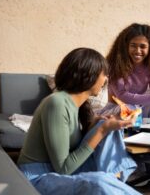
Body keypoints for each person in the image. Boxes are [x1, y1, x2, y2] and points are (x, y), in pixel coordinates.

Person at [17, 48, 142, 195]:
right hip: (39, 178)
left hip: (59, 172)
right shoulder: (57, 103)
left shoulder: (75, 105)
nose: (106, 79)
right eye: (104, 74)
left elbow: (71, 150)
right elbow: (63, 169)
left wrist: (95, 127)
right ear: (89, 75)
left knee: (106, 127)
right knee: (98, 182)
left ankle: (113, 180)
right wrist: (101, 131)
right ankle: (112, 182)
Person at [97, 23, 150, 121]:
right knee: (129, 109)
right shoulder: (115, 64)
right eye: (133, 46)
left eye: (143, 46)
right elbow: (122, 96)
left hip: (138, 109)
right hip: (117, 109)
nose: (137, 51)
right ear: (126, 46)